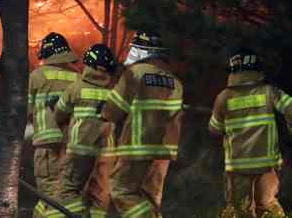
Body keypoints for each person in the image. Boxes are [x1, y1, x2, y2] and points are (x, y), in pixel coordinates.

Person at [208, 48, 292, 218]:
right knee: (267, 205)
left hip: (236, 167)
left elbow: (214, 129)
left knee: (241, 210)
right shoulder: (269, 92)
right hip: (266, 166)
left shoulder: (223, 97)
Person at [102, 32, 183, 218]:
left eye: (134, 48)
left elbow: (112, 111)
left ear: (142, 51)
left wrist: (104, 109)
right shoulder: (175, 82)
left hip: (137, 144)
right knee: (150, 198)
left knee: (121, 190)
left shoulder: (135, 74)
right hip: (164, 149)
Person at [53, 43, 121, 218]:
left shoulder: (76, 88)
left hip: (80, 149)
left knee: (68, 191)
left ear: (88, 65)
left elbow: (59, 114)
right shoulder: (114, 93)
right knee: (100, 195)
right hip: (107, 152)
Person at [29, 32, 81, 216]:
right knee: (68, 191)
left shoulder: (37, 76)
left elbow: (27, 110)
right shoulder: (78, 77)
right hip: (72, 143)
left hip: (47, 144)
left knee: (49, 191)